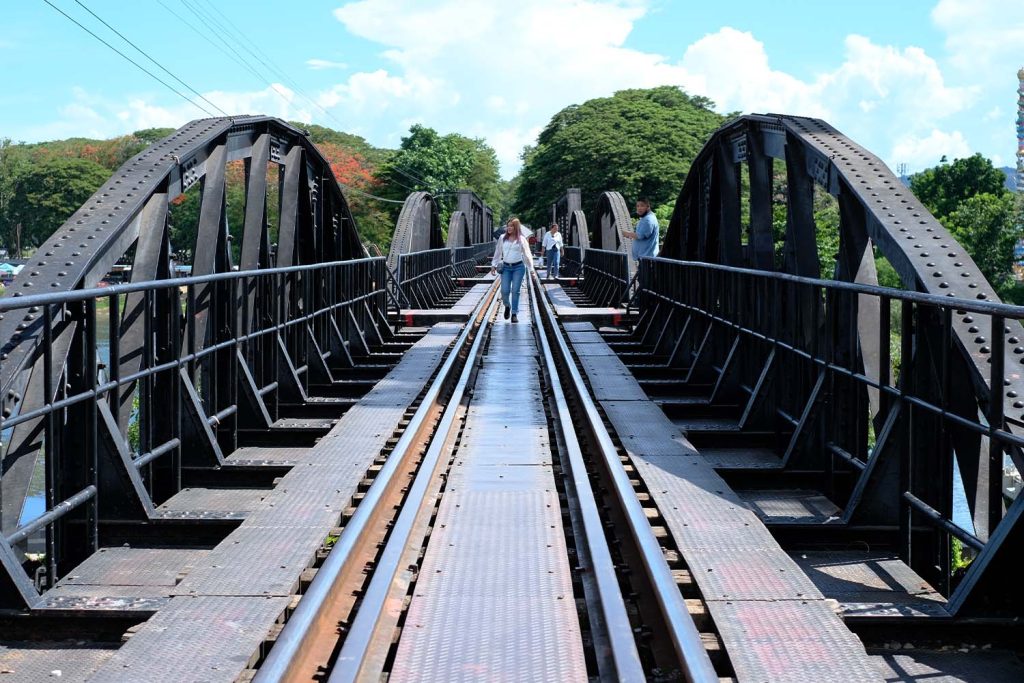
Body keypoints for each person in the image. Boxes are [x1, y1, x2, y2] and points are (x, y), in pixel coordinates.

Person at [490, 218, 534, 323]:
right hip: (505, 268)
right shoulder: (502, 238)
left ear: (516, 227)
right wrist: (493, 265)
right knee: (504, 291)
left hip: (518, 267)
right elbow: (498, 252)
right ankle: (507, 306)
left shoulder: (522, 239)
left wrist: (531, 269)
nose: (509, 228)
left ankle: (514, 313)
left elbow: (527, 255)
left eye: (511, 226)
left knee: (515, 291)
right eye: (508, 226)